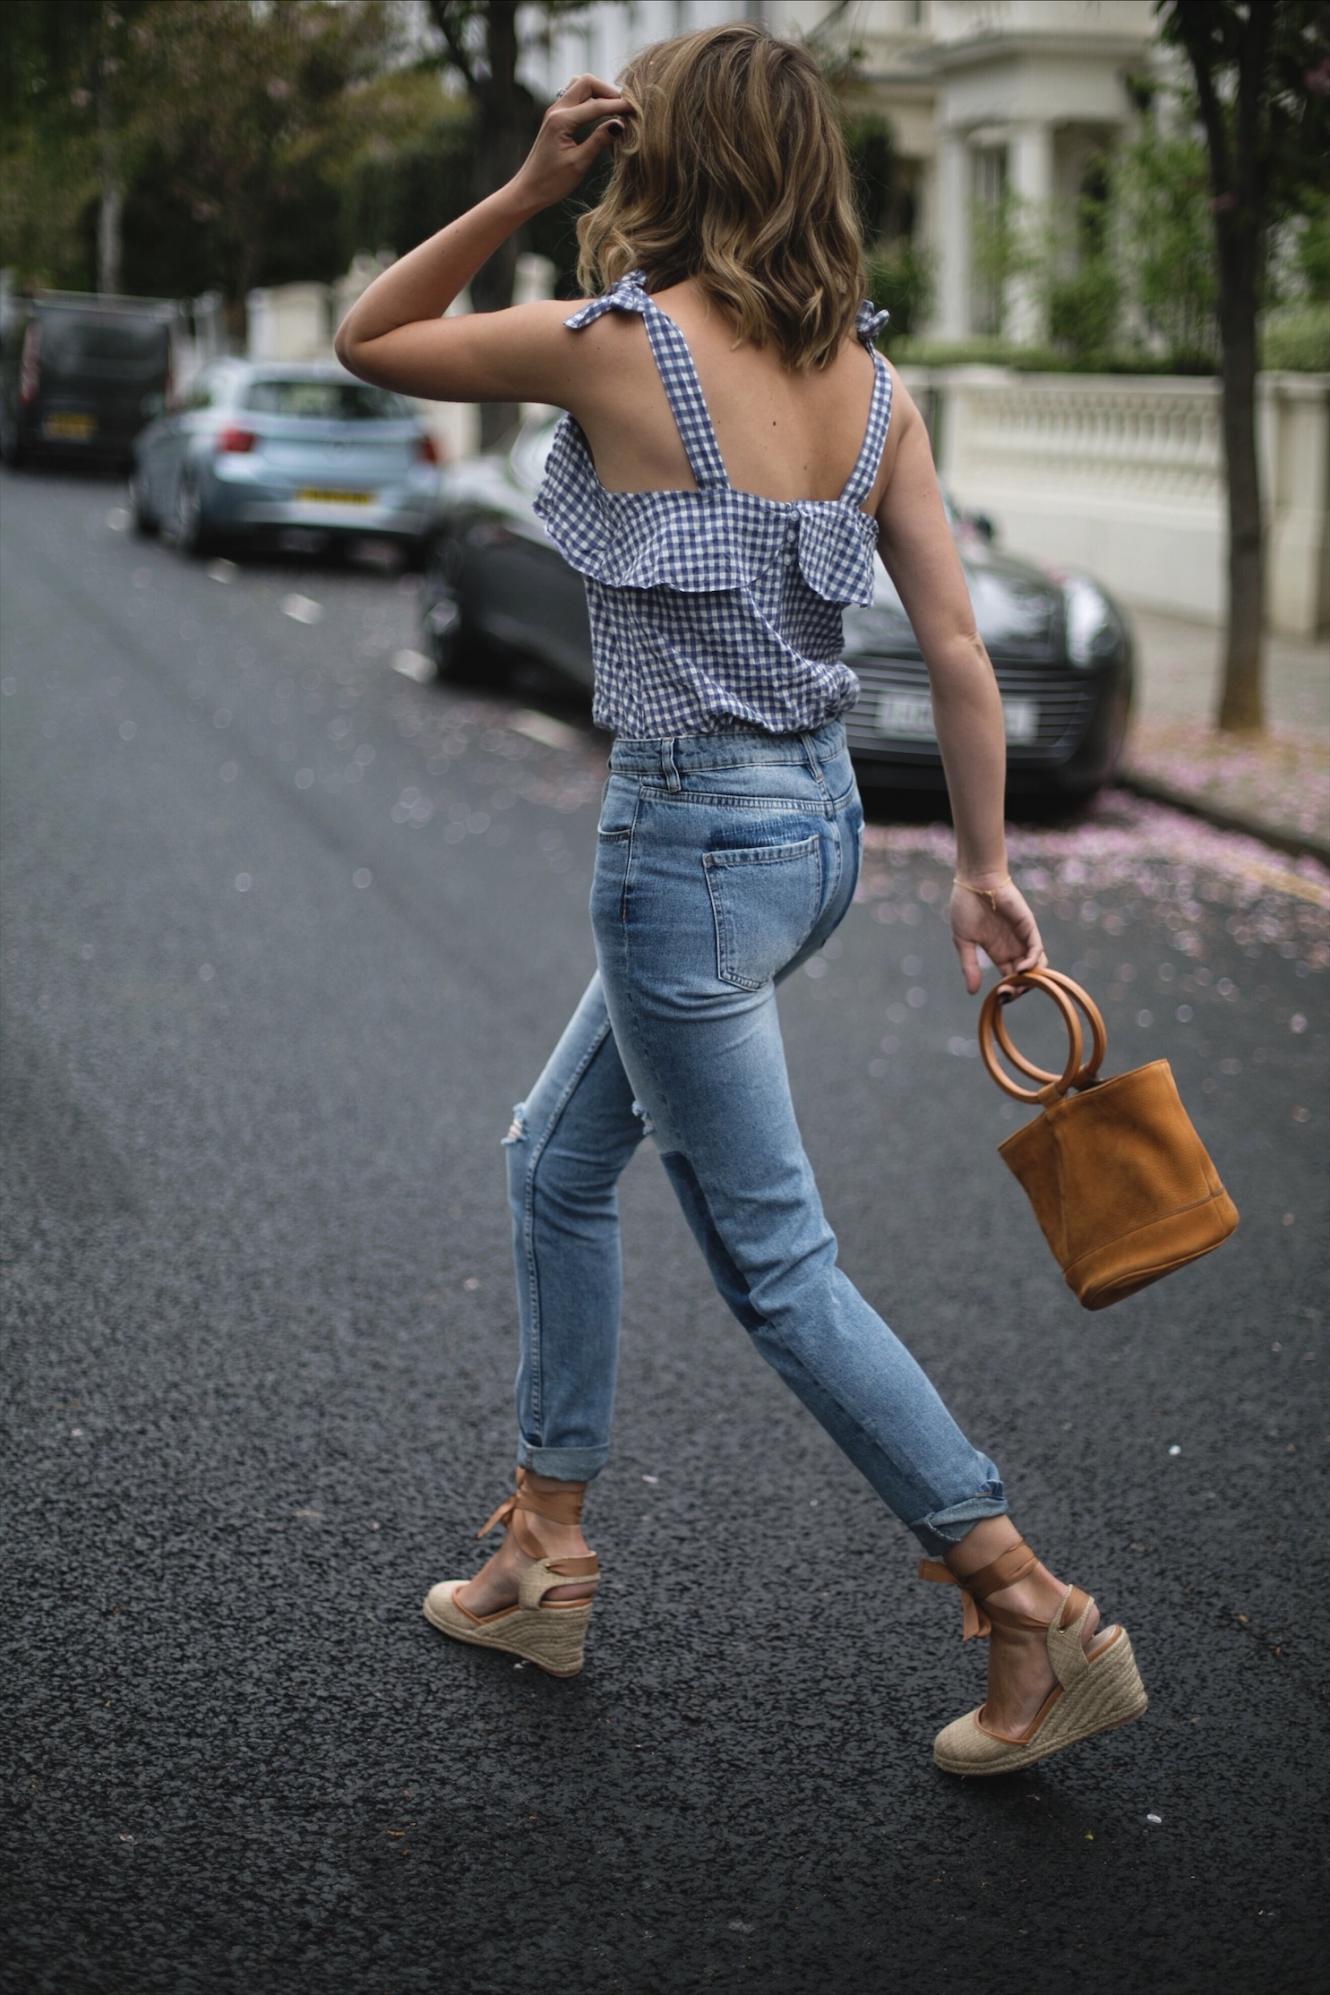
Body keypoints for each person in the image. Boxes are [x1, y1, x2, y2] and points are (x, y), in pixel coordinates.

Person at [334, 22, 1147, 1775]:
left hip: (690, 851)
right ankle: (542, 1543)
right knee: (553, 1163)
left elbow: (371, 336)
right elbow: (947, 647)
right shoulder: (875, 387)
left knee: (777, 1274)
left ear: (662, 161)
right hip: (821, 837)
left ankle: (1027, 1603)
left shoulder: (618, 348)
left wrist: (527, 185)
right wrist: (988, 873)